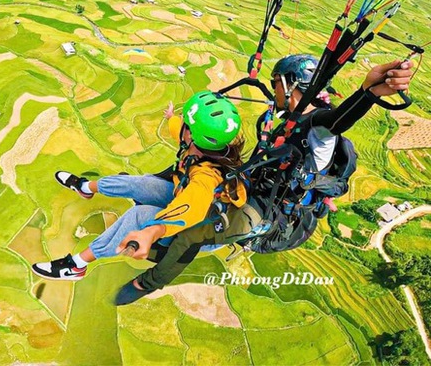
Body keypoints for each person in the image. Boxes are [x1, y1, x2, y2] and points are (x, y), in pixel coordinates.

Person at [112, 55, 416, 305]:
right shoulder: (293, 118)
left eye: (275, 85)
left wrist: (369, 92)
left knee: (192, 234)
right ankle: (147, 204)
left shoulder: (318, 128)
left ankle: (148, 283)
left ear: (288, 84)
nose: (273, 92)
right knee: (195, 171)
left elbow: (337, 122)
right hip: (252, 184)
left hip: (267, 210)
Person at [31, 91, 247, 281]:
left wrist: (152, 231)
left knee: (139, 215)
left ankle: (76, 265)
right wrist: (171, 117)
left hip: (200, 227)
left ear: (192, 135)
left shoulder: (206, 178)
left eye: (186, 125)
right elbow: (177, 127)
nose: (181, 125)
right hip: (181, 194)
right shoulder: (201, 144)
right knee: (140, 184)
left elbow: (191, 209)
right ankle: (85, 188)